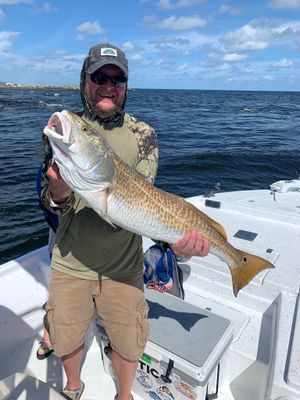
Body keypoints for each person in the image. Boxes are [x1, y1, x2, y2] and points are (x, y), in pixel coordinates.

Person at [39, 42, 210, 400]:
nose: (108, 86)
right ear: (84, 80)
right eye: (99, 77)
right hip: (71, 264)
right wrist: (58, 192)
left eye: (117, 80)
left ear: (126, 87)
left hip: (124, 268)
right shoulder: (65, 131)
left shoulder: (144, 135)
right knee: (66, 336)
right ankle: (73, 386)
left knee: (130, 342)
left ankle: (124, 394)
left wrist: (174, 242)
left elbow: (145, 205)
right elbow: (49, 205)